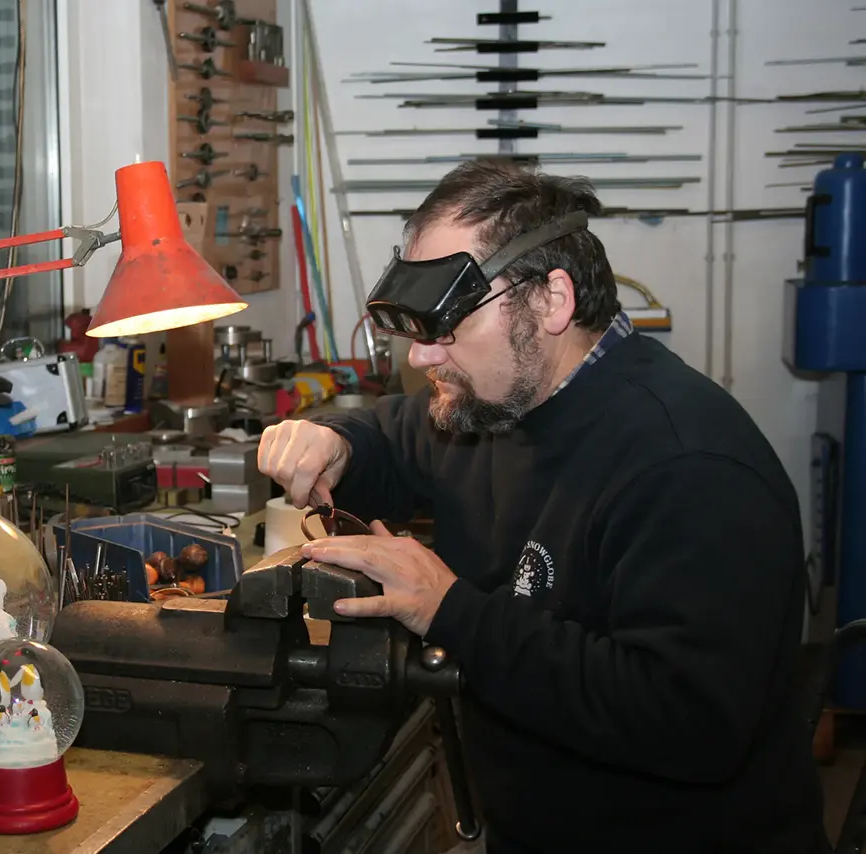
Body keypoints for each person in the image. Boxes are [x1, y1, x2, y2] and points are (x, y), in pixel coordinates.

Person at [258, 159, 828, 854]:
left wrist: (451, 609)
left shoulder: (689, 466)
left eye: (446, 325)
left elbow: (689, 726)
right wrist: (335, 442)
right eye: (414, 330)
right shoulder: (498, 403)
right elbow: (394, 435)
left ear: (551, 300)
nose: (423, 358)